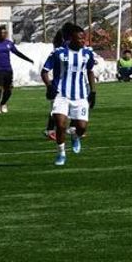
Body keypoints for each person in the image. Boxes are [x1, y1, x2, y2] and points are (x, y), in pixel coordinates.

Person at [41, 24, 97, 166]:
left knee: (82, 127)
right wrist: (49, 87)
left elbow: (90, 71)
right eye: (79, 39)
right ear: (71, 38)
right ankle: (61, 153)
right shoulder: (59, 53)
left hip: (81, 95)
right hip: (61, 95)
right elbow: (45, 71)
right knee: (60, 125)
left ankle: (75, 135)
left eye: (83, 39)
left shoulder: (87, 54)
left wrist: (93, 91)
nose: (82, 41)